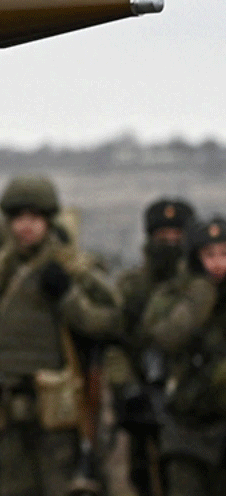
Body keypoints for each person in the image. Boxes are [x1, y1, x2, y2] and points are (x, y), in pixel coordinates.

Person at [0, 174, 123, 496]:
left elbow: (111, 322)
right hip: (7, 409)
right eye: (18, 218)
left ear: (47, 220)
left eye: (34, 218)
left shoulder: (73, 267)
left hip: (61, 413)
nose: (25, 227)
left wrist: (68, 297)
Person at [113, 198, 196, 496]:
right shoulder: (132, 286)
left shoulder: (201, 288)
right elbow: (115, 342)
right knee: (145, 477)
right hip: (144, 398)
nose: (170, 245)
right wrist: (127, 388)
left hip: (193, 404)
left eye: (178, 239)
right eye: (163, 239)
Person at [140, 215, 226, 496]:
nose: (218, 262)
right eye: (209, 254)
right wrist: (199, 298)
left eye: (225, 253)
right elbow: (165, 337)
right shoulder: (173, 294)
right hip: (185, 425)